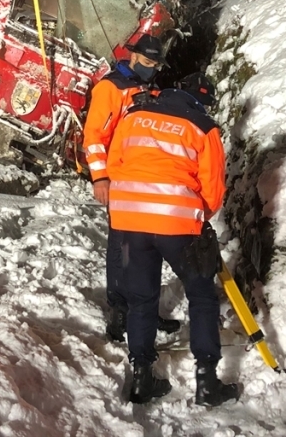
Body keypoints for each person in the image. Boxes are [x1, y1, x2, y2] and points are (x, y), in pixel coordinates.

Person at [106, 78, 240, 406]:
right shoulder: (203, 127)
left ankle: (141, 379)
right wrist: (198, 217)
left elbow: (114, 166)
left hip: (128, 219)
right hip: (176, 219)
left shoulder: (133, 117)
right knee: (201, 294)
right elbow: (212, 189)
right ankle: (207, 382)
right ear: (198, 104)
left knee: (140, 299)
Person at [83, 33, 180, 341]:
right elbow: (94, 137)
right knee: (122, 247)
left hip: (145, 179)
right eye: (148, 63)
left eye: (156, 65)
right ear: (134, 57)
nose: (152, 69)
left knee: (145, 249)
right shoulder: (110, 88)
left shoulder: (146, 88)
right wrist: (100, 177)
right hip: (119, 179)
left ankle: (143, 312)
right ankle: (120, 310)